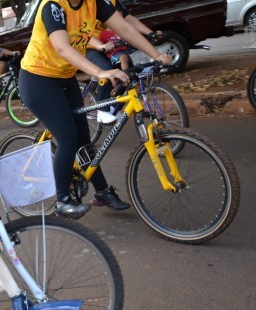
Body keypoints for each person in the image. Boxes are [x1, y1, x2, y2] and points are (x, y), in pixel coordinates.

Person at [18, 0, 171, 219]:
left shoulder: (93, 2)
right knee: (68, 138)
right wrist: (100, 72)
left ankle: (101, 192)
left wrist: (155, 55)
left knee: (83, 140)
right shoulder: (53, 5)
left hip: (65, 77)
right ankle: (62, 201)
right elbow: (62, 47)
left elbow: (125, 28)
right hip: (38, 79)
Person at [86, 0, 162, 123]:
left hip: (113, 46)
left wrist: (150, 33)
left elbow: (127, 19)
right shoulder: (85, 5)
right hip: (91, 47)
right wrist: (101, 46)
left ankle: (115, 106)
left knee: (130, 75)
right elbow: (80, 32)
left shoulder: (110, 2)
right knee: (106, 72)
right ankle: (102, 109)